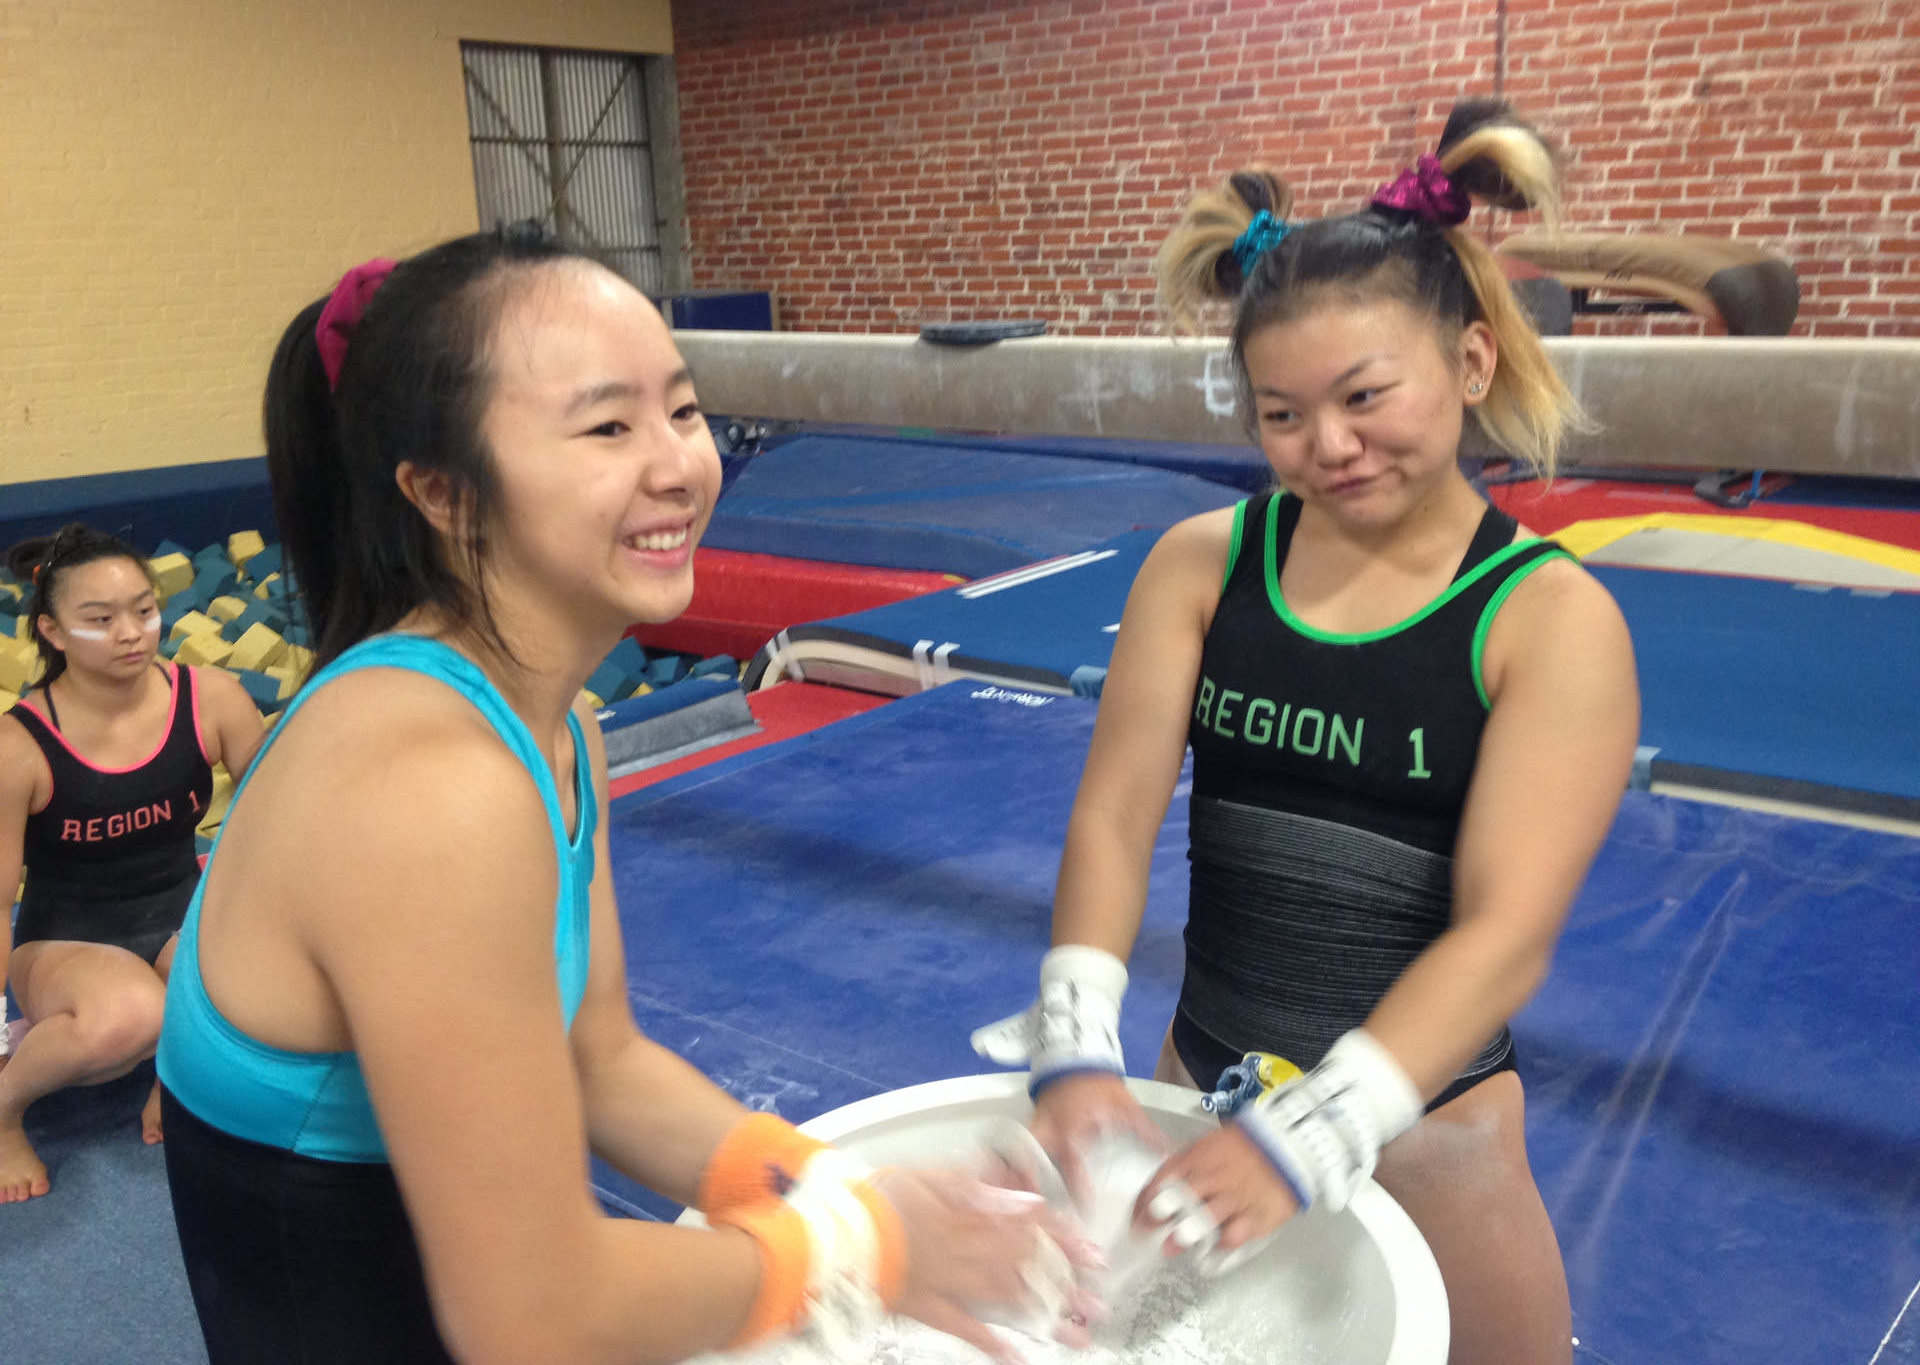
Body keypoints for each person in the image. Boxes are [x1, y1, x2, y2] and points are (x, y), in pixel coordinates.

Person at [154, 225, 1082, 1365]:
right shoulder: (428, 791)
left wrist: (834, 1187)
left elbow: (599, 1061)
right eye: (608, 426)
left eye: (683, 410)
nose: (680, 464)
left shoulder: (563, 731)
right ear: (443, 492)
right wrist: (867, 1252)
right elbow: (533, 1316)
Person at [976, 100, 1640, 1365]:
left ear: (1473, 363)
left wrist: (1330, 1121)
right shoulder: (1201, 566)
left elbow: (1506, 932)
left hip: (1423, 1127)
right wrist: (1074, 1023)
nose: (1329, 446)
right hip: (1202, 1090)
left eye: (1365, 396)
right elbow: (1113, 814)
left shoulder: (1548, 622)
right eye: (1281, 414)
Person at [0, 525, 264, 1203]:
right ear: (52, 632)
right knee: (133, 1015)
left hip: (181, 911)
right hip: (67, 939)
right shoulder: (18, 746)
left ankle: (172, 1077)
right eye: (100, 619)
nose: (131, 633)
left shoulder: (212, 699)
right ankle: (4, 1109)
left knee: (263, 989)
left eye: (143, 610)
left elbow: (280, 831)